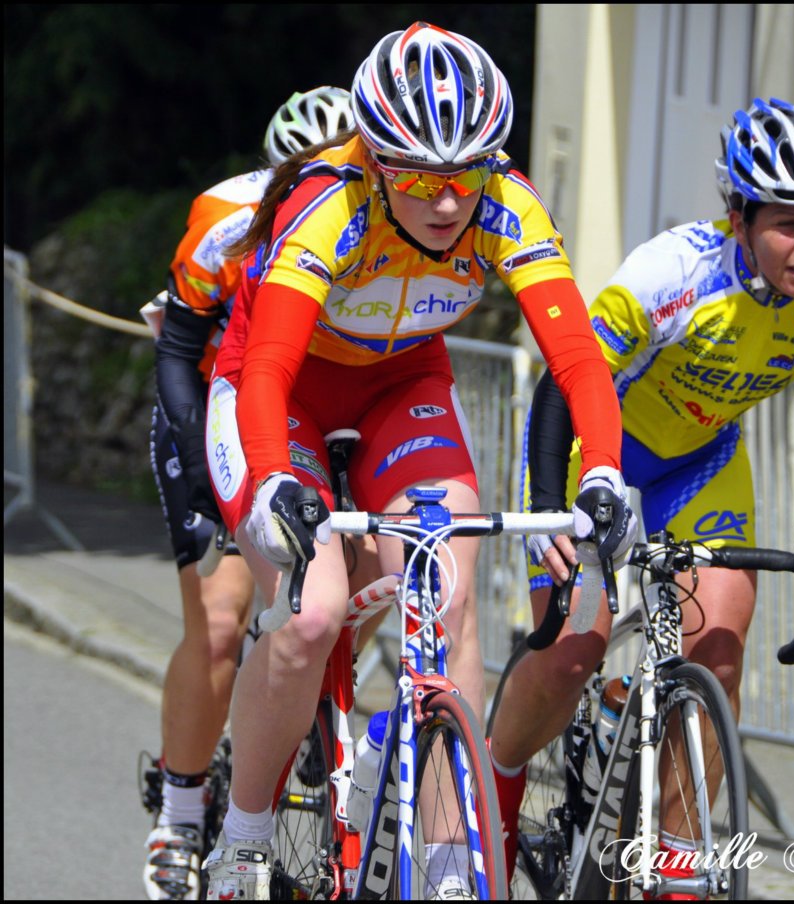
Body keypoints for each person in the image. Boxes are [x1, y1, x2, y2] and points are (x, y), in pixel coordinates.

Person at [200, 21, 637, 901]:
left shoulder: (507, 204)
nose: (447, 203)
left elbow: (580, 358)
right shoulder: (329, 202)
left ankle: (450, 862)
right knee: (314, 611)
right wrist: (273, 477)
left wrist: (603, 472)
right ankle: (242, 836)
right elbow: (272, 366)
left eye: (466, 177)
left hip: (404, 385)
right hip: (276, 396)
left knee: (453, 591)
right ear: (374, 161)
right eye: (421, 180)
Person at [488, 97, 794, 888]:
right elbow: (569, 383)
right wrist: (547, 506)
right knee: (572, 655)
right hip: (596, 459)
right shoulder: (670, 276)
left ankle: (676, 865)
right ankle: (489, 796)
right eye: (788, 224)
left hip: (700, 462)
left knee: (719, 656)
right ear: (740, 216)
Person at [142, 86, 355, 901]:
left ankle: (324, 743)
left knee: (345, 595)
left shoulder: (380, 224)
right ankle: (184, 810)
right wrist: (209, 484)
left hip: (310, 420)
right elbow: (180, 350)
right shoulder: (229, 219)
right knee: (225, 621)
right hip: (208, 413)